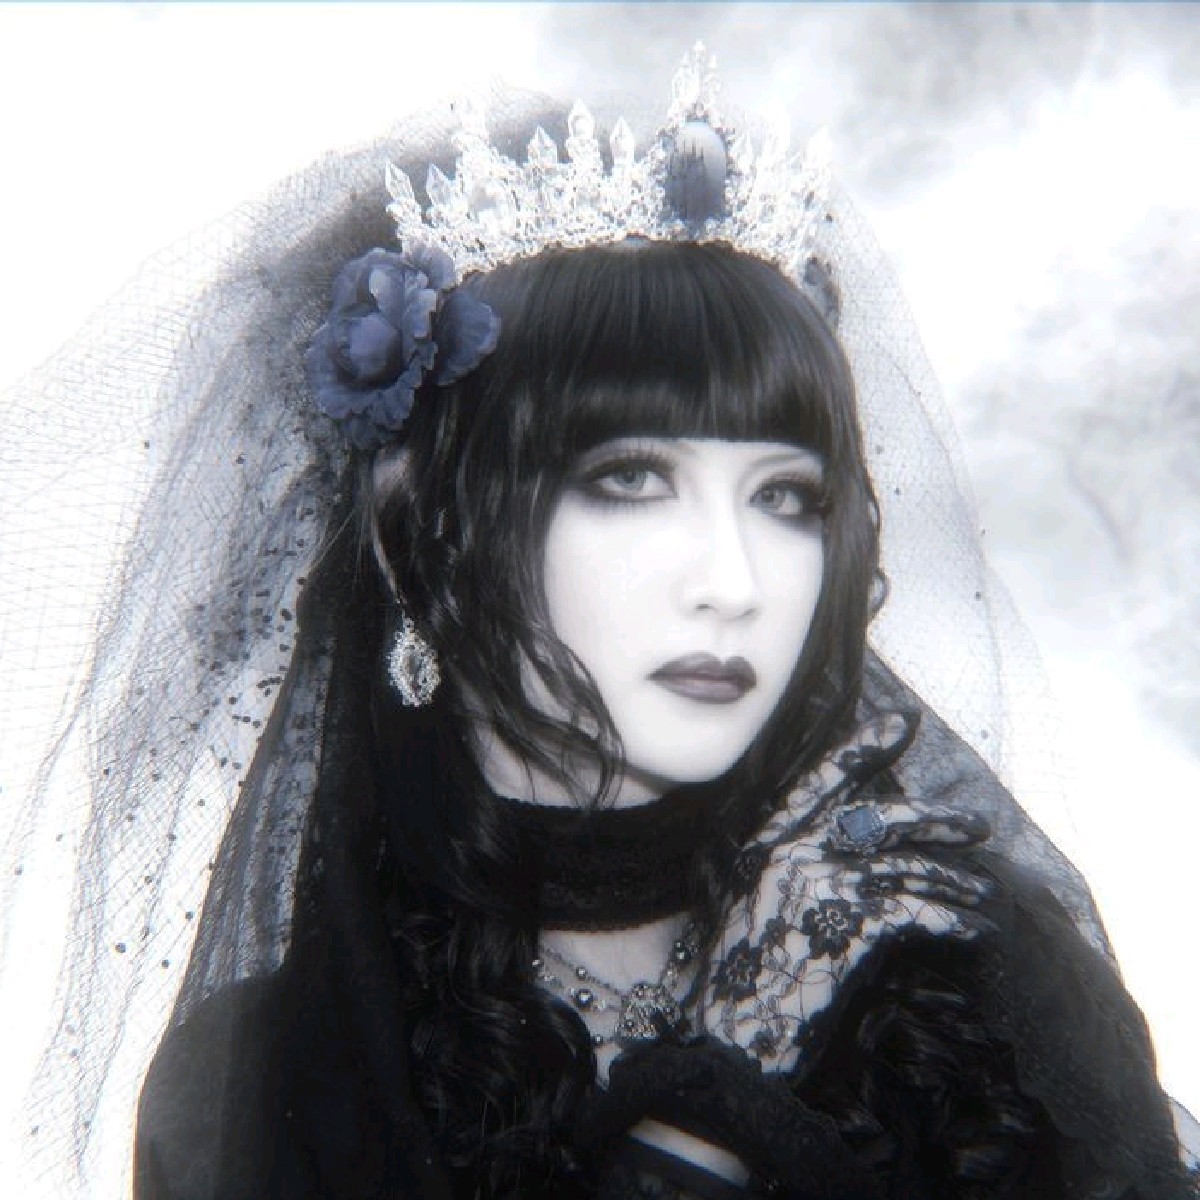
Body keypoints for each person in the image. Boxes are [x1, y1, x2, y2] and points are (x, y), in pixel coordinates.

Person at [4, 51, 1195, 1200]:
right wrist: (731, 1072)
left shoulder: (969, 977)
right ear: (417, 531)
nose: (734, 580)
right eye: (629, 481)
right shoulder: (270, 1081)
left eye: (787, 499)